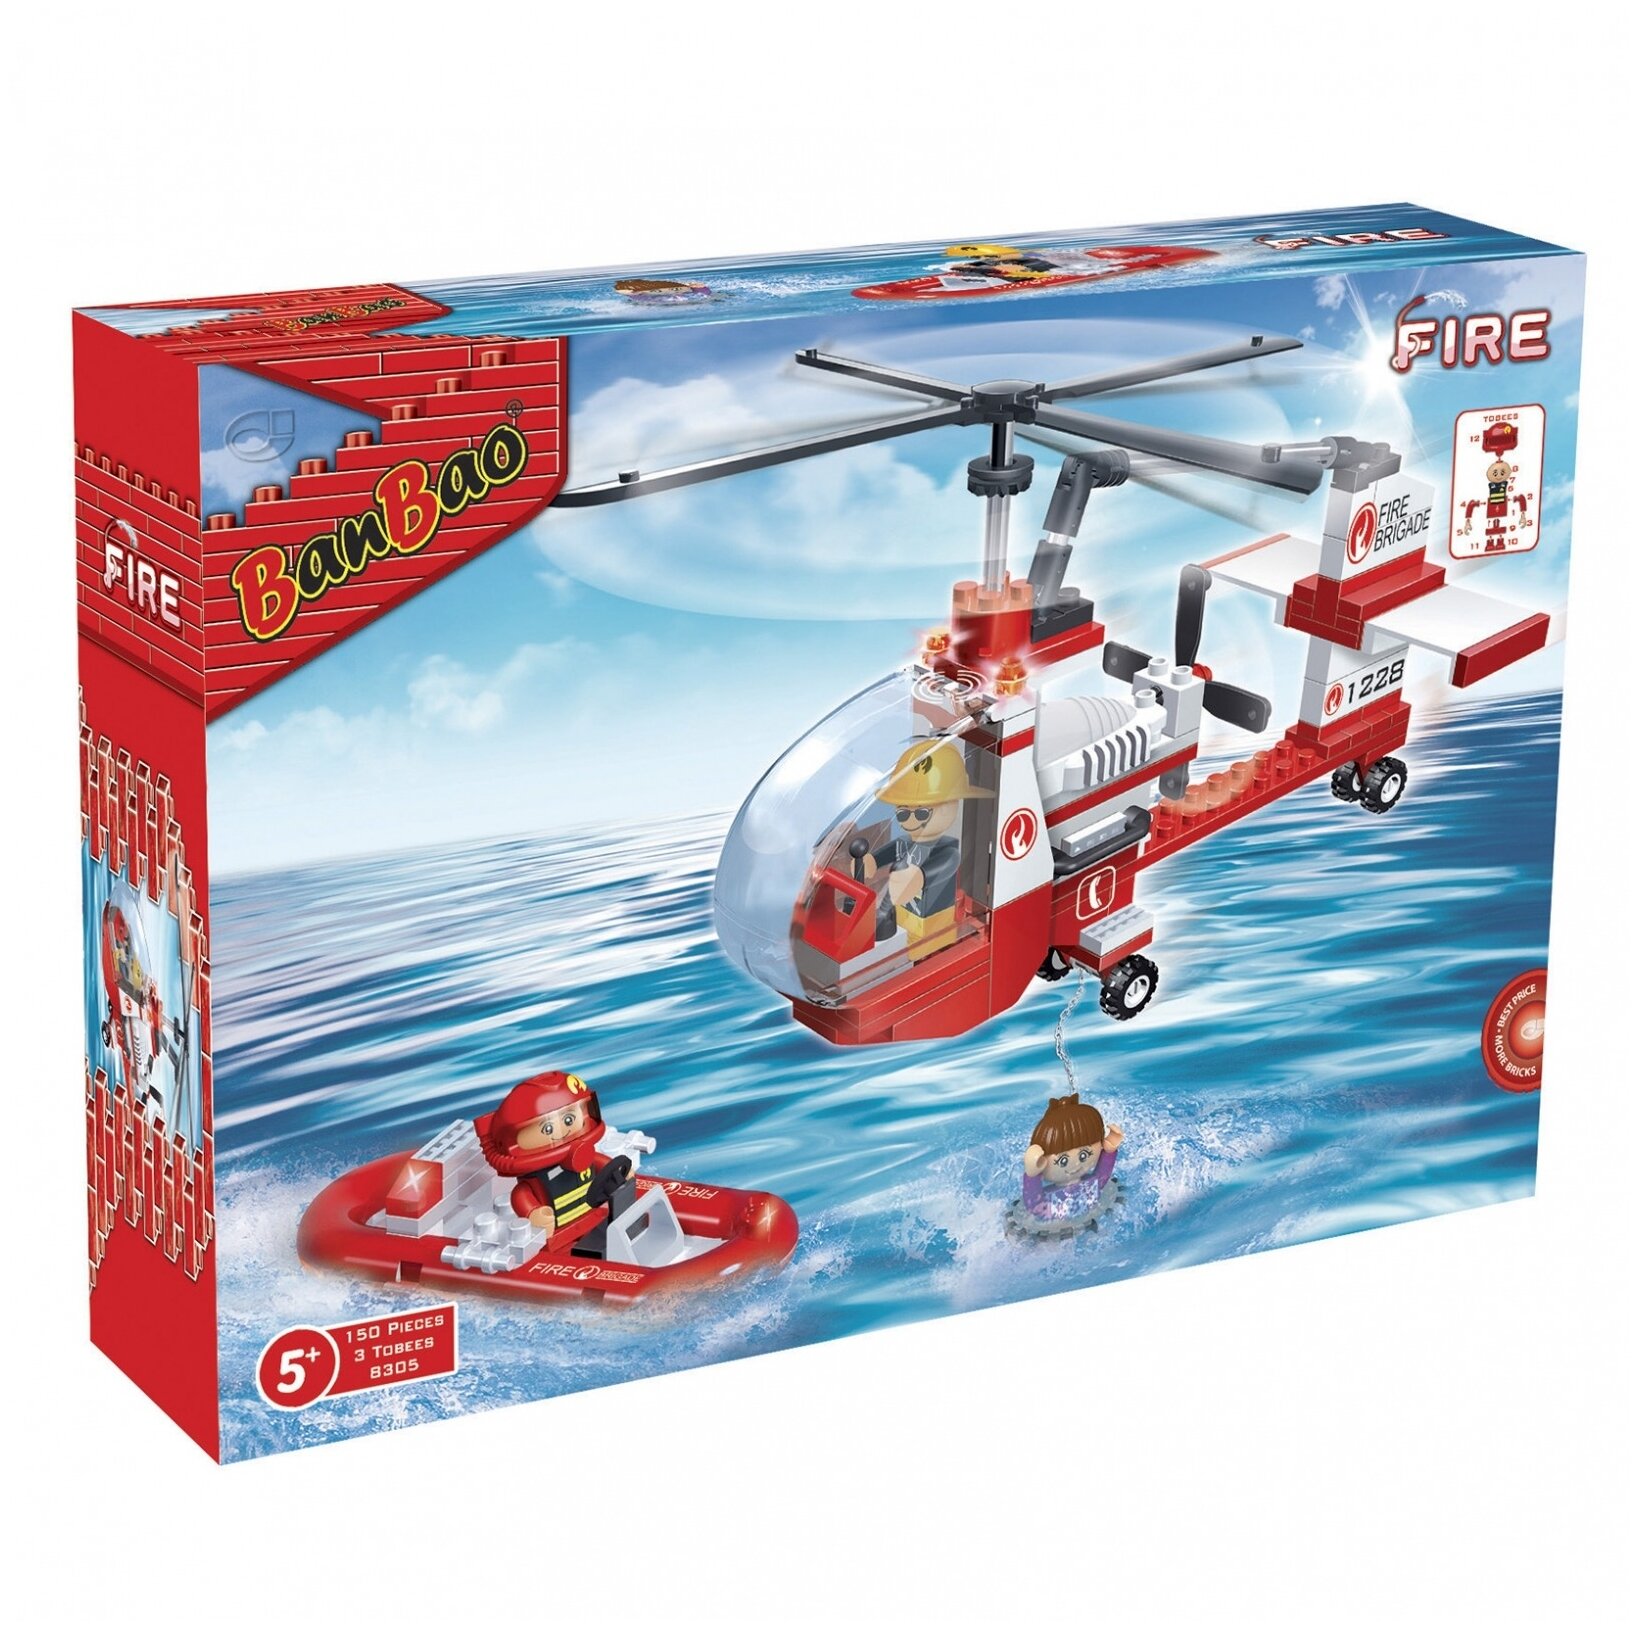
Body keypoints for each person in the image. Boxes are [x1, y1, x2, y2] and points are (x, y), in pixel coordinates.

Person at [475, 1070, 636, 1258]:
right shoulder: (536, 1177)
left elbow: (603, 1165)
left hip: (597, 1218)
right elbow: (521, 1195)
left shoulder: (585, 1156)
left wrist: (620, 1174)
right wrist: (534, 1213)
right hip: (559, 1238)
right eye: (548, 1128)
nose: (563, 1132)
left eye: (569, 1120)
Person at [859, 740, 992, 963]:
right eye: (903, 814)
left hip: (932, 928)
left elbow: (943, 866)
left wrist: (919, 877)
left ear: (950, 807)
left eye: (921, 813)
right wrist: (871, 860)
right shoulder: (906, 843)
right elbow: (890, 851)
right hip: (902, 922)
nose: (910, 822)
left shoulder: (947, 851)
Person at [1021, 1092, 1122, 1225]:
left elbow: (1103, 1176)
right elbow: (1035, 1206)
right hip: (1057, 1230)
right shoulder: (1050, 1201)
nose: (1075, 1165)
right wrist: (1032, 1175)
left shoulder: (1091, 1185)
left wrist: (1109, 1151)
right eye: (1063, 1160)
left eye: (1084, 1155)